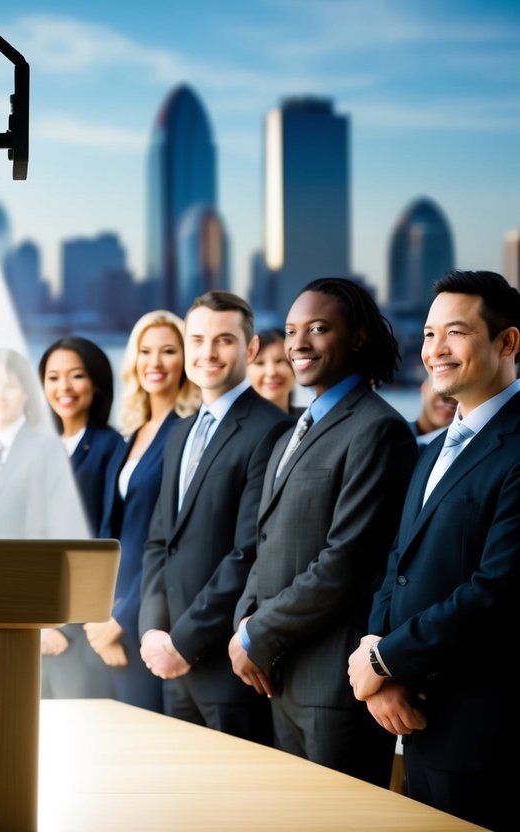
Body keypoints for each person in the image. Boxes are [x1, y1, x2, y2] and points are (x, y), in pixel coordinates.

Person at [348, 270, 520, 830]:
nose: (435, 351)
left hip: (483, 730)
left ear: (507, 342)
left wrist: (385, 658)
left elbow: (496, 590)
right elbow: (397, 562)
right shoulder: (435, 447)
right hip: (414, 718)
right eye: (426, 335)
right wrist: (378, 662)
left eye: (455, 333)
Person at [230, 277, 418, 787]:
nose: (298, 344)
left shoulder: (378, 430)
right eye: (291, 331)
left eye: (318, 328)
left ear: (357, 337)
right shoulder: (293, 428)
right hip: (280, 676)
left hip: (333, 687)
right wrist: (243, 621)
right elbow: (266, 541)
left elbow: (347, 563)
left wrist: (256, 632)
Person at [137, 292, 290, 745]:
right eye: (197, 339)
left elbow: (248, 551)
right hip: (170, 661)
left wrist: (183, 642)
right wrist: (151, 630)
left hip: (226, 666)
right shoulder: (180, 431)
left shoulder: (270, 429)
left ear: (251, 349)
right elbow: (159, 541)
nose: (207, 352)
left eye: (224, 340)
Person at [0, 348, 103, 698]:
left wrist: (59, 625)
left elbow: (69, 538)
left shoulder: (48, 449)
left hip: (41, 628)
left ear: (27, 392)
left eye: (10, 385)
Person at [94, 312, 200, 712]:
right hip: (109, 622)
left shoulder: (187, 433)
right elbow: (112, 532)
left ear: (185, 360)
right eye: (145, 351)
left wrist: (121, 619)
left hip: (150, 620)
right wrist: (98, 615)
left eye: (168, 351)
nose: (154, 362)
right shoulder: (129, 436)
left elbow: (169, 542)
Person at [39, 336, 122, 535]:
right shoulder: (41, 449)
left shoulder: (110, 446)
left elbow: (110, 524)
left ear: (96, 383)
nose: (64, 387)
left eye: (76, 376)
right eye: (53, 378)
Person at [247, 328, 300, 415]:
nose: (271, 372)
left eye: (279, 361)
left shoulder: (313, 421)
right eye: (260, 363)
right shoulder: (229, 424)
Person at [409, 378, 457, 446]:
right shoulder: (394, 433)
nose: (452, 400)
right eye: (441, 386)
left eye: (459, 393)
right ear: (424, 388)